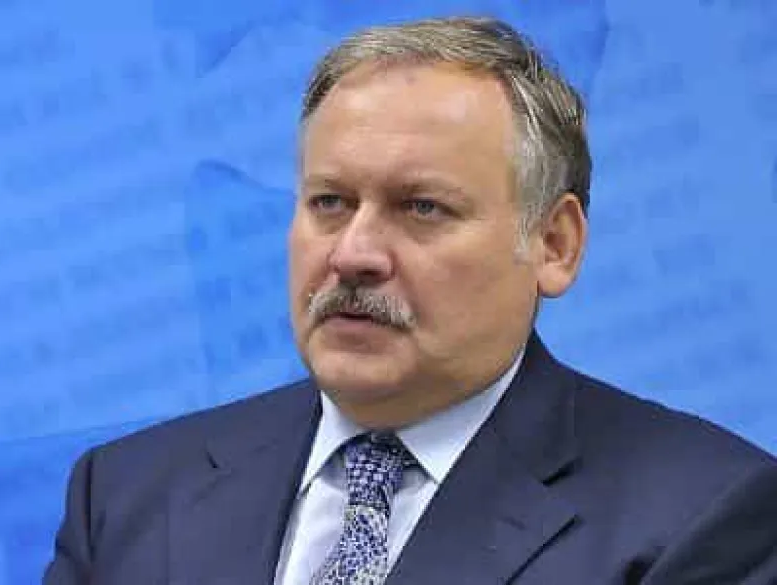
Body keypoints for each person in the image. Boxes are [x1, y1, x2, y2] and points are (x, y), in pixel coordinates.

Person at [44, 16, 777, 585]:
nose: (352, 254)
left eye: (422, 207)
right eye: (329, 202)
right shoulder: (127, 493)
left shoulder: (698, 516)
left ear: (554, 244)